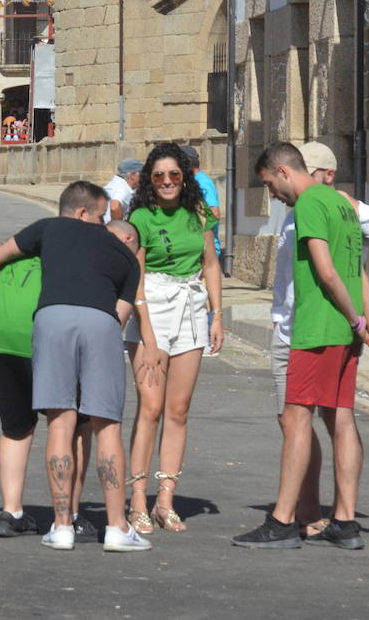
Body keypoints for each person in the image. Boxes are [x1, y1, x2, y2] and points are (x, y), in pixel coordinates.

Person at [0, 181, 151, 553]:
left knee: (59, 421)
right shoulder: (126, 256)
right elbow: (119, 317)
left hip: (52, 317)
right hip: (101, 321)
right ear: (84, 213)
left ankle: (61, 527)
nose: (101, 221)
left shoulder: (48, 228)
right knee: (106, 423)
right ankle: (117, 528)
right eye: (100, 214)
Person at [234, 142, 369, 549]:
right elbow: (359, 267)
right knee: (342, 420)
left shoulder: (310, 205)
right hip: (346, 334)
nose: (272, 195)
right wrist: (365, 319)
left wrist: (354, 316)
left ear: (283, 170)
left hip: (317, 327)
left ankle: (281, 521)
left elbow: (328, 271)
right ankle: (346, 522)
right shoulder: (343, 205)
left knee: (296, 419)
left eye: (268, 184)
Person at [122, 142, 223, 534]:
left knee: (178, 410)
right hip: (152, 307)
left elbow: (210, 264)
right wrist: (146, 333)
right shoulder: (142, 217)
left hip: (192, 305)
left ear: (185, 177)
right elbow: (136, 275)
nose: (167, 182)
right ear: (150, 179)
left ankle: (165, 500)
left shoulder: (198, 214)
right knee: (150, 407)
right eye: (159, 175)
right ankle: (137, 500)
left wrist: (217, 315)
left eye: (174, 175)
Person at [103, 158, 142, 222]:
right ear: (133, 175)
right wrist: (119, 227)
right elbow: (114, 207)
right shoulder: (122, 188)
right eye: (142, 175)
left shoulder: (116, 183)